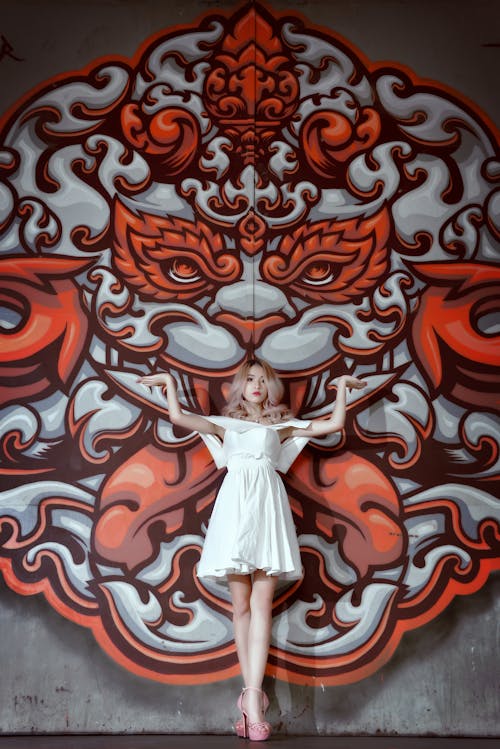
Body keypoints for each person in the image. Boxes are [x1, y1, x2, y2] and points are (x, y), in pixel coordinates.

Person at [138, 358, 366, 741]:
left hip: (267, 509)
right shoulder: (224, 425)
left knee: (262, 606)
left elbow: (333, 425)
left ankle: (254, 701)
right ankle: (249, 699)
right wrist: (167, 384)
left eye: (263, 379)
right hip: (234, 509)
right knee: (240, 607)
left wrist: (342, 388)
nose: (256, 385)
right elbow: (180, 418)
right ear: (240, 387)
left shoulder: (282, 425)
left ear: (270, 387)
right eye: (250, 379)